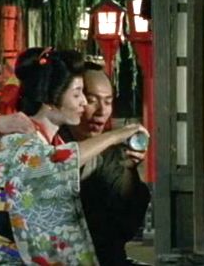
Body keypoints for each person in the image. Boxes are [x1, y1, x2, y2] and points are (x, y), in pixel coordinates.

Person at [0, 47, 146, 265]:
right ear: (51, 98)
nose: (84, 103)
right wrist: (115, 136)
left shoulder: (55, 142)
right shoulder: (17, 139)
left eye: (108, 101)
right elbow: (55, 162)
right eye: (78, 94)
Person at [61, 62, 151, 266]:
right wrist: (113, 136)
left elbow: (125, 228)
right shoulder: (51, 143)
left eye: (108, 102)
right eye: (92, 101)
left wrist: (129, 171)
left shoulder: (113, 154)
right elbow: (60, 165)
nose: (101, 111)